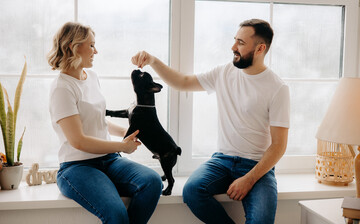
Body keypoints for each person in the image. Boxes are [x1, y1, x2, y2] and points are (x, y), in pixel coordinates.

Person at [131, 19, 290, 224]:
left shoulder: (277, 88)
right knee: (192, 192)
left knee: (261, 220)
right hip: (222, 161)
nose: (233, 47)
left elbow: (279, 145)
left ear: (260, 48)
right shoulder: (224, 72)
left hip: (257, 166)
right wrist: (152, 60)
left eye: (240, 43)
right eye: (235, 40)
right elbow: (182, 82)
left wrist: (249, 179)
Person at [47, 22, 163, 224]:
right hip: (77, 167)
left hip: (109, 160)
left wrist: (132, 133)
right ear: (73, 47)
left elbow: (98, 120)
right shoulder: (62, 87)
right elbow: (79, 141)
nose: (96, 51)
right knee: (116, 214)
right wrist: (122, 147)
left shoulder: (91, 76)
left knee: (152, 182)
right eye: (91, 45)